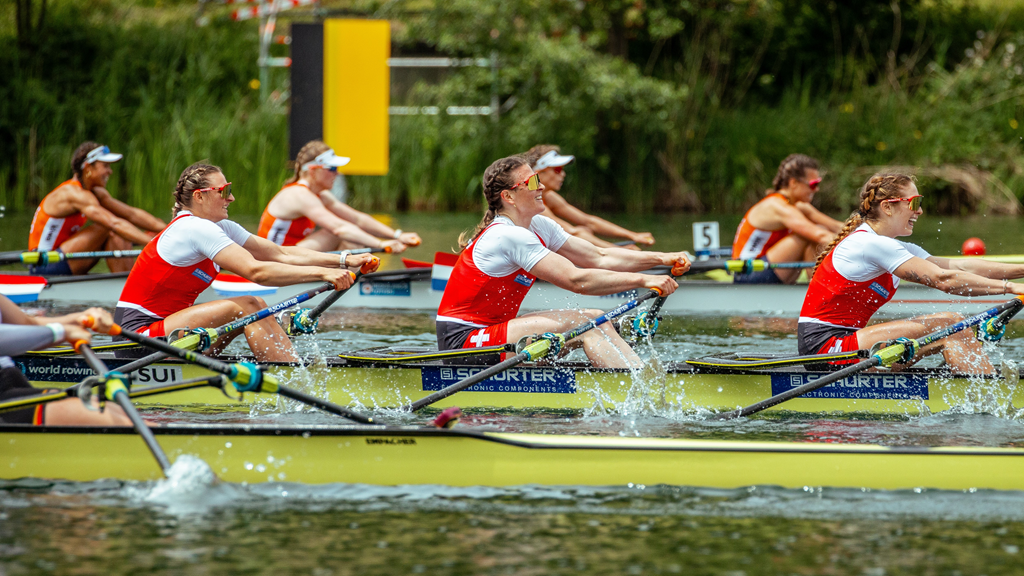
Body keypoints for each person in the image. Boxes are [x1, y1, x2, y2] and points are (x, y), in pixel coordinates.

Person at [435, 155, 691, 369]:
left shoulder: (538, 225)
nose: (542, 187)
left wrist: (661, 259)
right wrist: (644, 280)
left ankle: (634, 379)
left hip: (497, 331)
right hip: (462, 342)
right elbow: (576, 279)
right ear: (509, 197)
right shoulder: (506, 235)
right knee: (591, 322)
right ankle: (635, 390)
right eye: (532, 181)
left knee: (599, 322)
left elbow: (598, 256)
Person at [114, 162, 379, 362]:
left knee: (257, 309)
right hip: (137, 338)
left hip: (172, 332)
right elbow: (257, 271)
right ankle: (292, 379)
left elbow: (279, 253)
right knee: (250, 305)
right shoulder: (193, 228)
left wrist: (345, 260)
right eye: (224, 191)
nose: (231, 198)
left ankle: (289, 370)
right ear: (199, 196)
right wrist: (323, 274)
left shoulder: (221, 227)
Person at [798, 173, 1024, 374]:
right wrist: (1011, 288)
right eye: (915, 202)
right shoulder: (868, 243)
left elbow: (961, 267)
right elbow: (942, 280)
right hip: (826, 348)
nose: (920, 210)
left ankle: (976, 391)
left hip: (850, 344)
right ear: (887, 207)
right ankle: (986, 398)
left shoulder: (897, 248)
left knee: (955, 326)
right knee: (952, 324)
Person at [27, 141, 167, 276]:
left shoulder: (96, 193)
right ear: (88, 168)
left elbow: (131, 214)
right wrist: (153, 244)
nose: (110, 171)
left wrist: (169, 230)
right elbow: (114, 223)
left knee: (121, 229)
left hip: (64, 258)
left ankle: (127, 284)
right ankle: (128, 286)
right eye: (105, 166)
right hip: (44, 263)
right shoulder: (72, 193)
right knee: (110, 228)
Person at [258, 141, 421, 253]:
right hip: (274, 261)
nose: (337, 173)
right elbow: (339, 228)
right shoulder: (299, 194)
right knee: (337, 232)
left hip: (291, 256)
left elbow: (358, 219)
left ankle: (351, 282)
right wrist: (381, 244)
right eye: (332, 168)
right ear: (313, 171)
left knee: (351, 234)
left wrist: (397, 235)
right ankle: (352, 288)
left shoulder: (320, 195)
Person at [0, 298, 133, 426]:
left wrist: (80, 318)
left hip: (10, 382)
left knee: (117, 410)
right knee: (113, 419)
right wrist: (61, 332)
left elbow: (28, 324)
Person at [731, 154, 842, 284]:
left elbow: (837, 226)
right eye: (813, 184)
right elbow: (820, 235)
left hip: (767, 269)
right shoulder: (777, 206)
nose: (817, 189)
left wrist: (867, 229)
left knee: (819, 231)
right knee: (808, 235)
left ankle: (816, 288)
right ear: (793, 183)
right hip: (748, 273)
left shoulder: (798, 206)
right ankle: (818, 289)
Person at [524, 145, 655, 250]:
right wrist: (617, 250)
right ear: (538, 173)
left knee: (585, 230)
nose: (563, 174)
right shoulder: (530, 198)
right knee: (581, 232)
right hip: (526, 263)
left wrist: (633, 235)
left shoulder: (549, 196)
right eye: (558, 170)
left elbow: (589, 221)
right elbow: (571, 233)